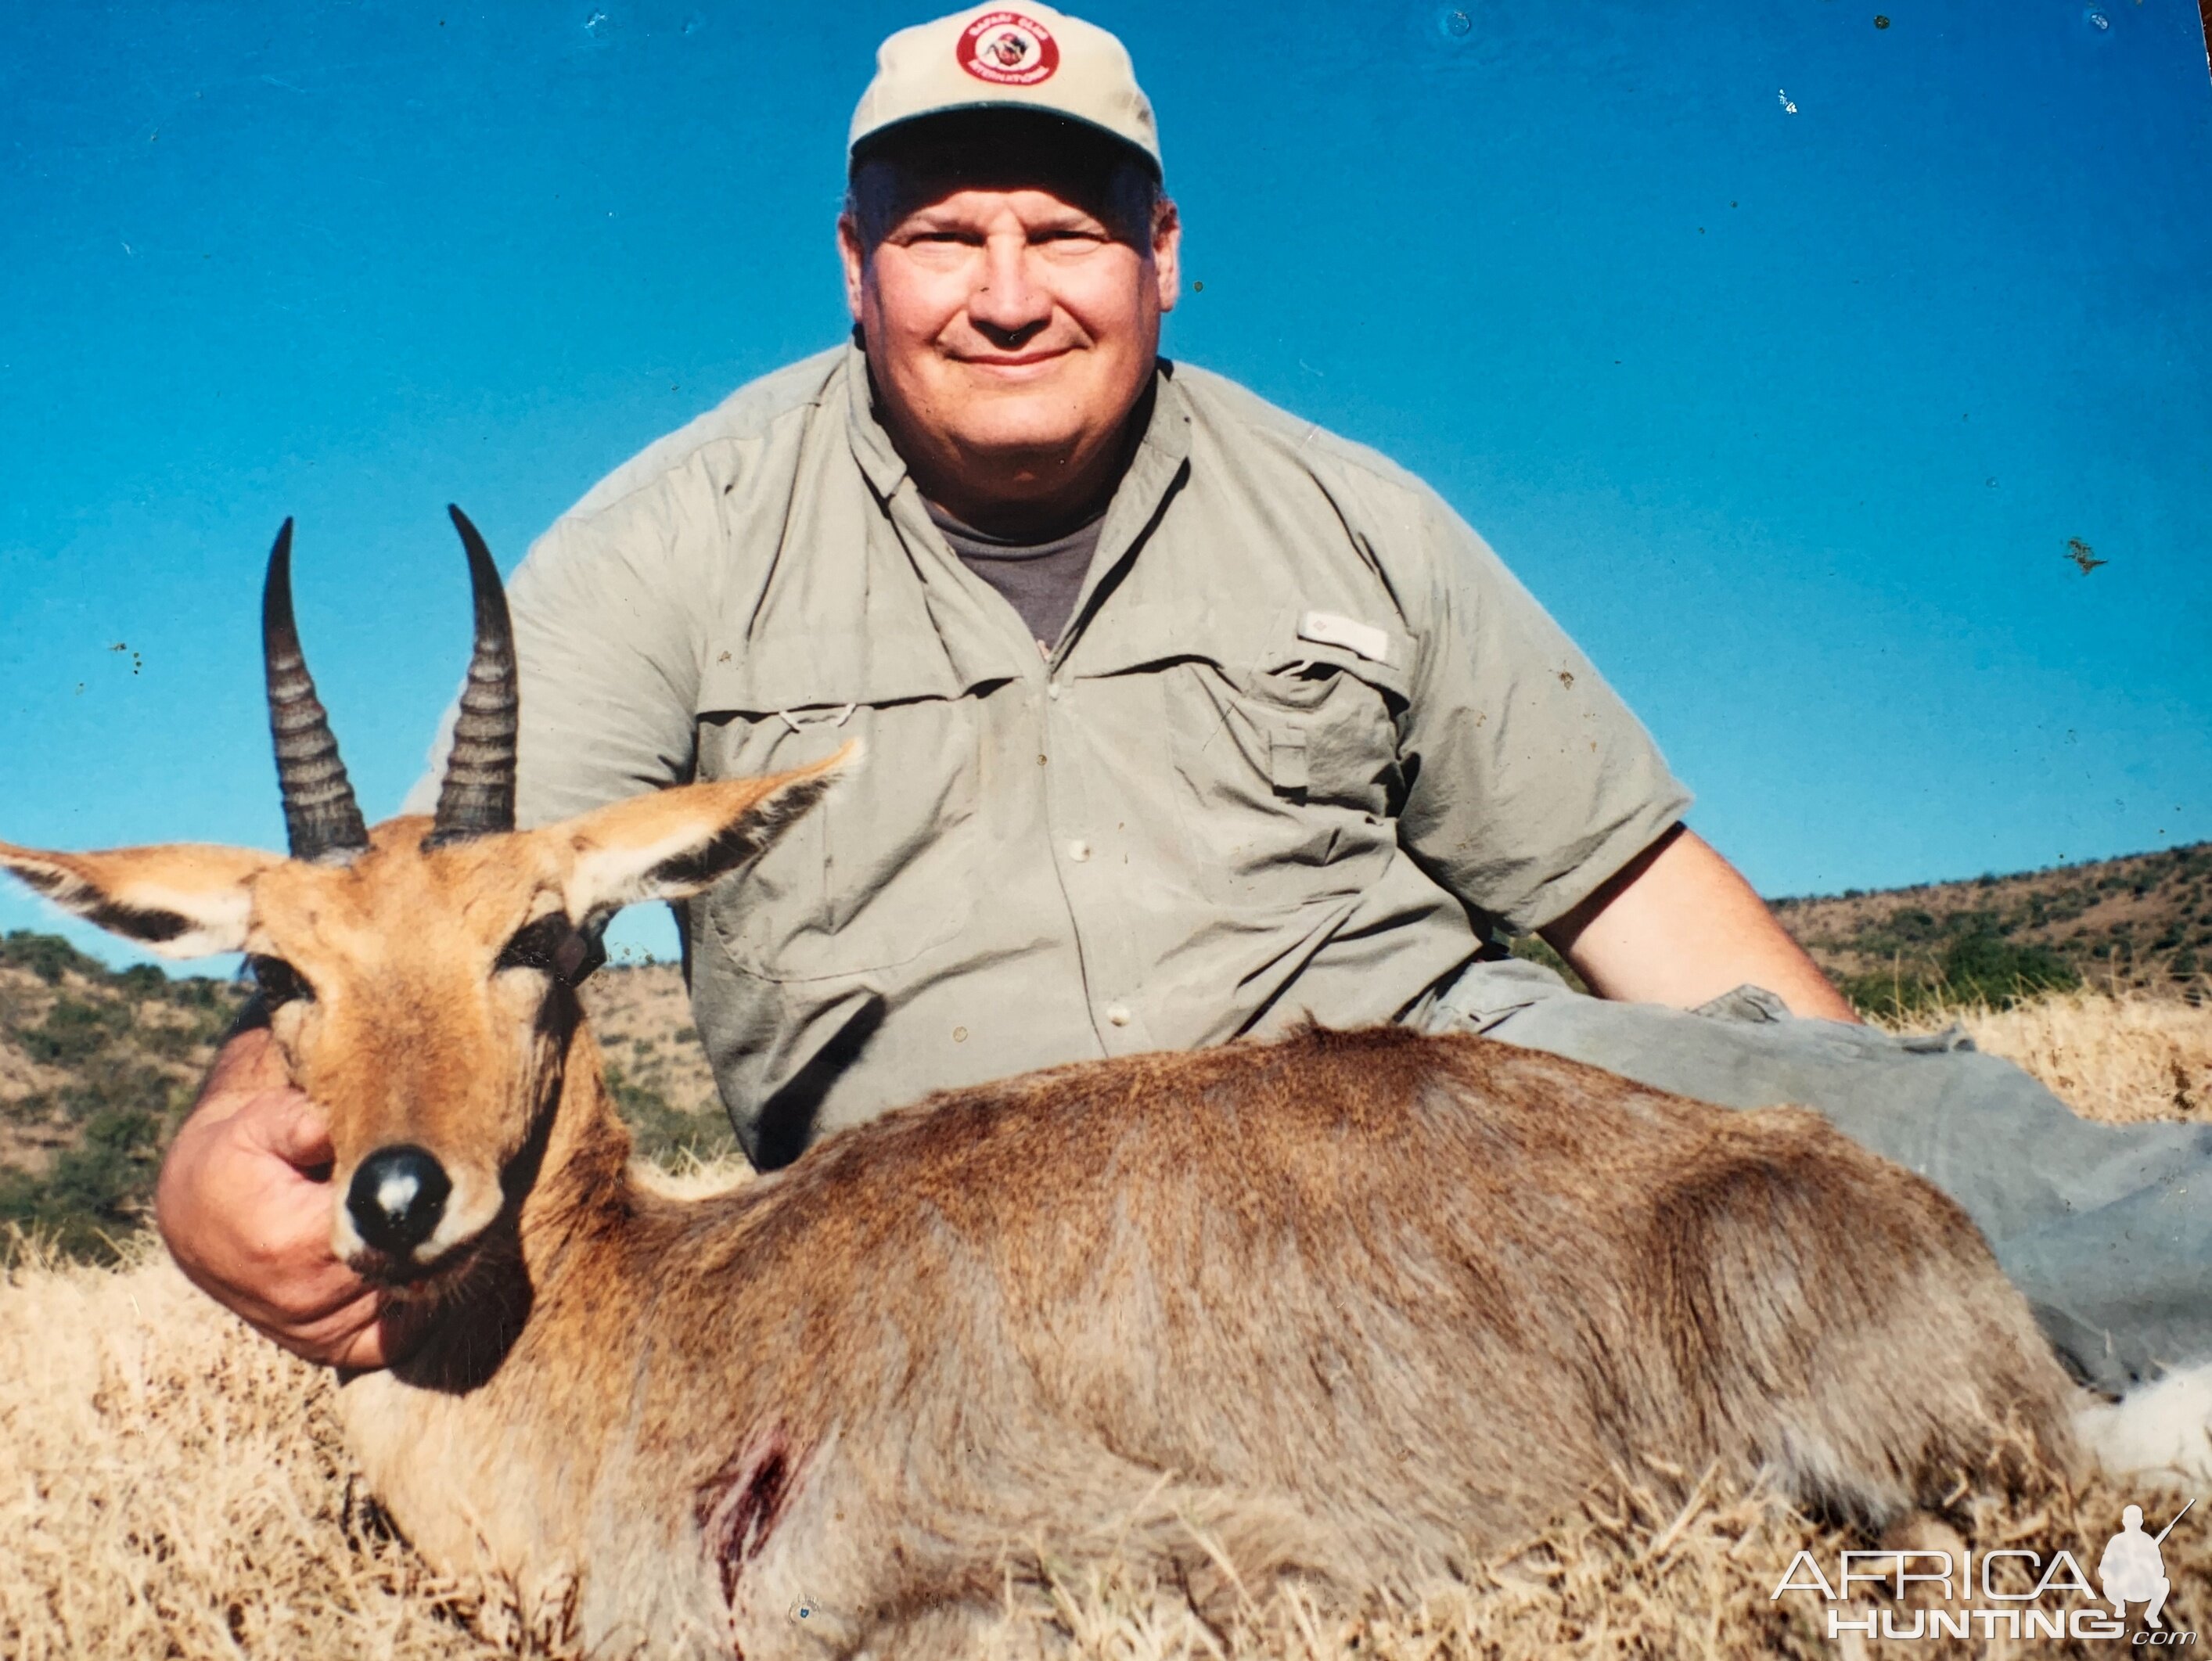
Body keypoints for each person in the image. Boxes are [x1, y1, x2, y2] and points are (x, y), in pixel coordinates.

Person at [156, 5, 2212, 1418]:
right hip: (981, 1237)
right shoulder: (678, 536)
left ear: (1161, 259)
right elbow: (405, 906)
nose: (1007, 287)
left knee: (1969, 1175)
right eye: (945, 234)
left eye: (1064, 230)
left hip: (1454, 1125)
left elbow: (1630, 889)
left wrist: (1865, 1132)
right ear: (854, 266)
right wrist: (227, 1149)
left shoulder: (1350, 508)